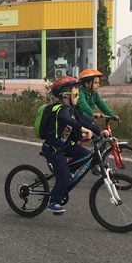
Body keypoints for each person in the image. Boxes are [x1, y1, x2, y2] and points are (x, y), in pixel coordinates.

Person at [41, 76, 101, 215]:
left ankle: (66, 172)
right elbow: (67, 120)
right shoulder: (60, 109)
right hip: (53, 147)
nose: (78, 97)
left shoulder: (72, 110)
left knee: (87, 156)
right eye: (75, 94)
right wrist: (82, 129)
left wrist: (100, 131)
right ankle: (53, 202)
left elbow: (84, 120)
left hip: (66, 145)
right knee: (64, 176)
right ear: (65, 95)